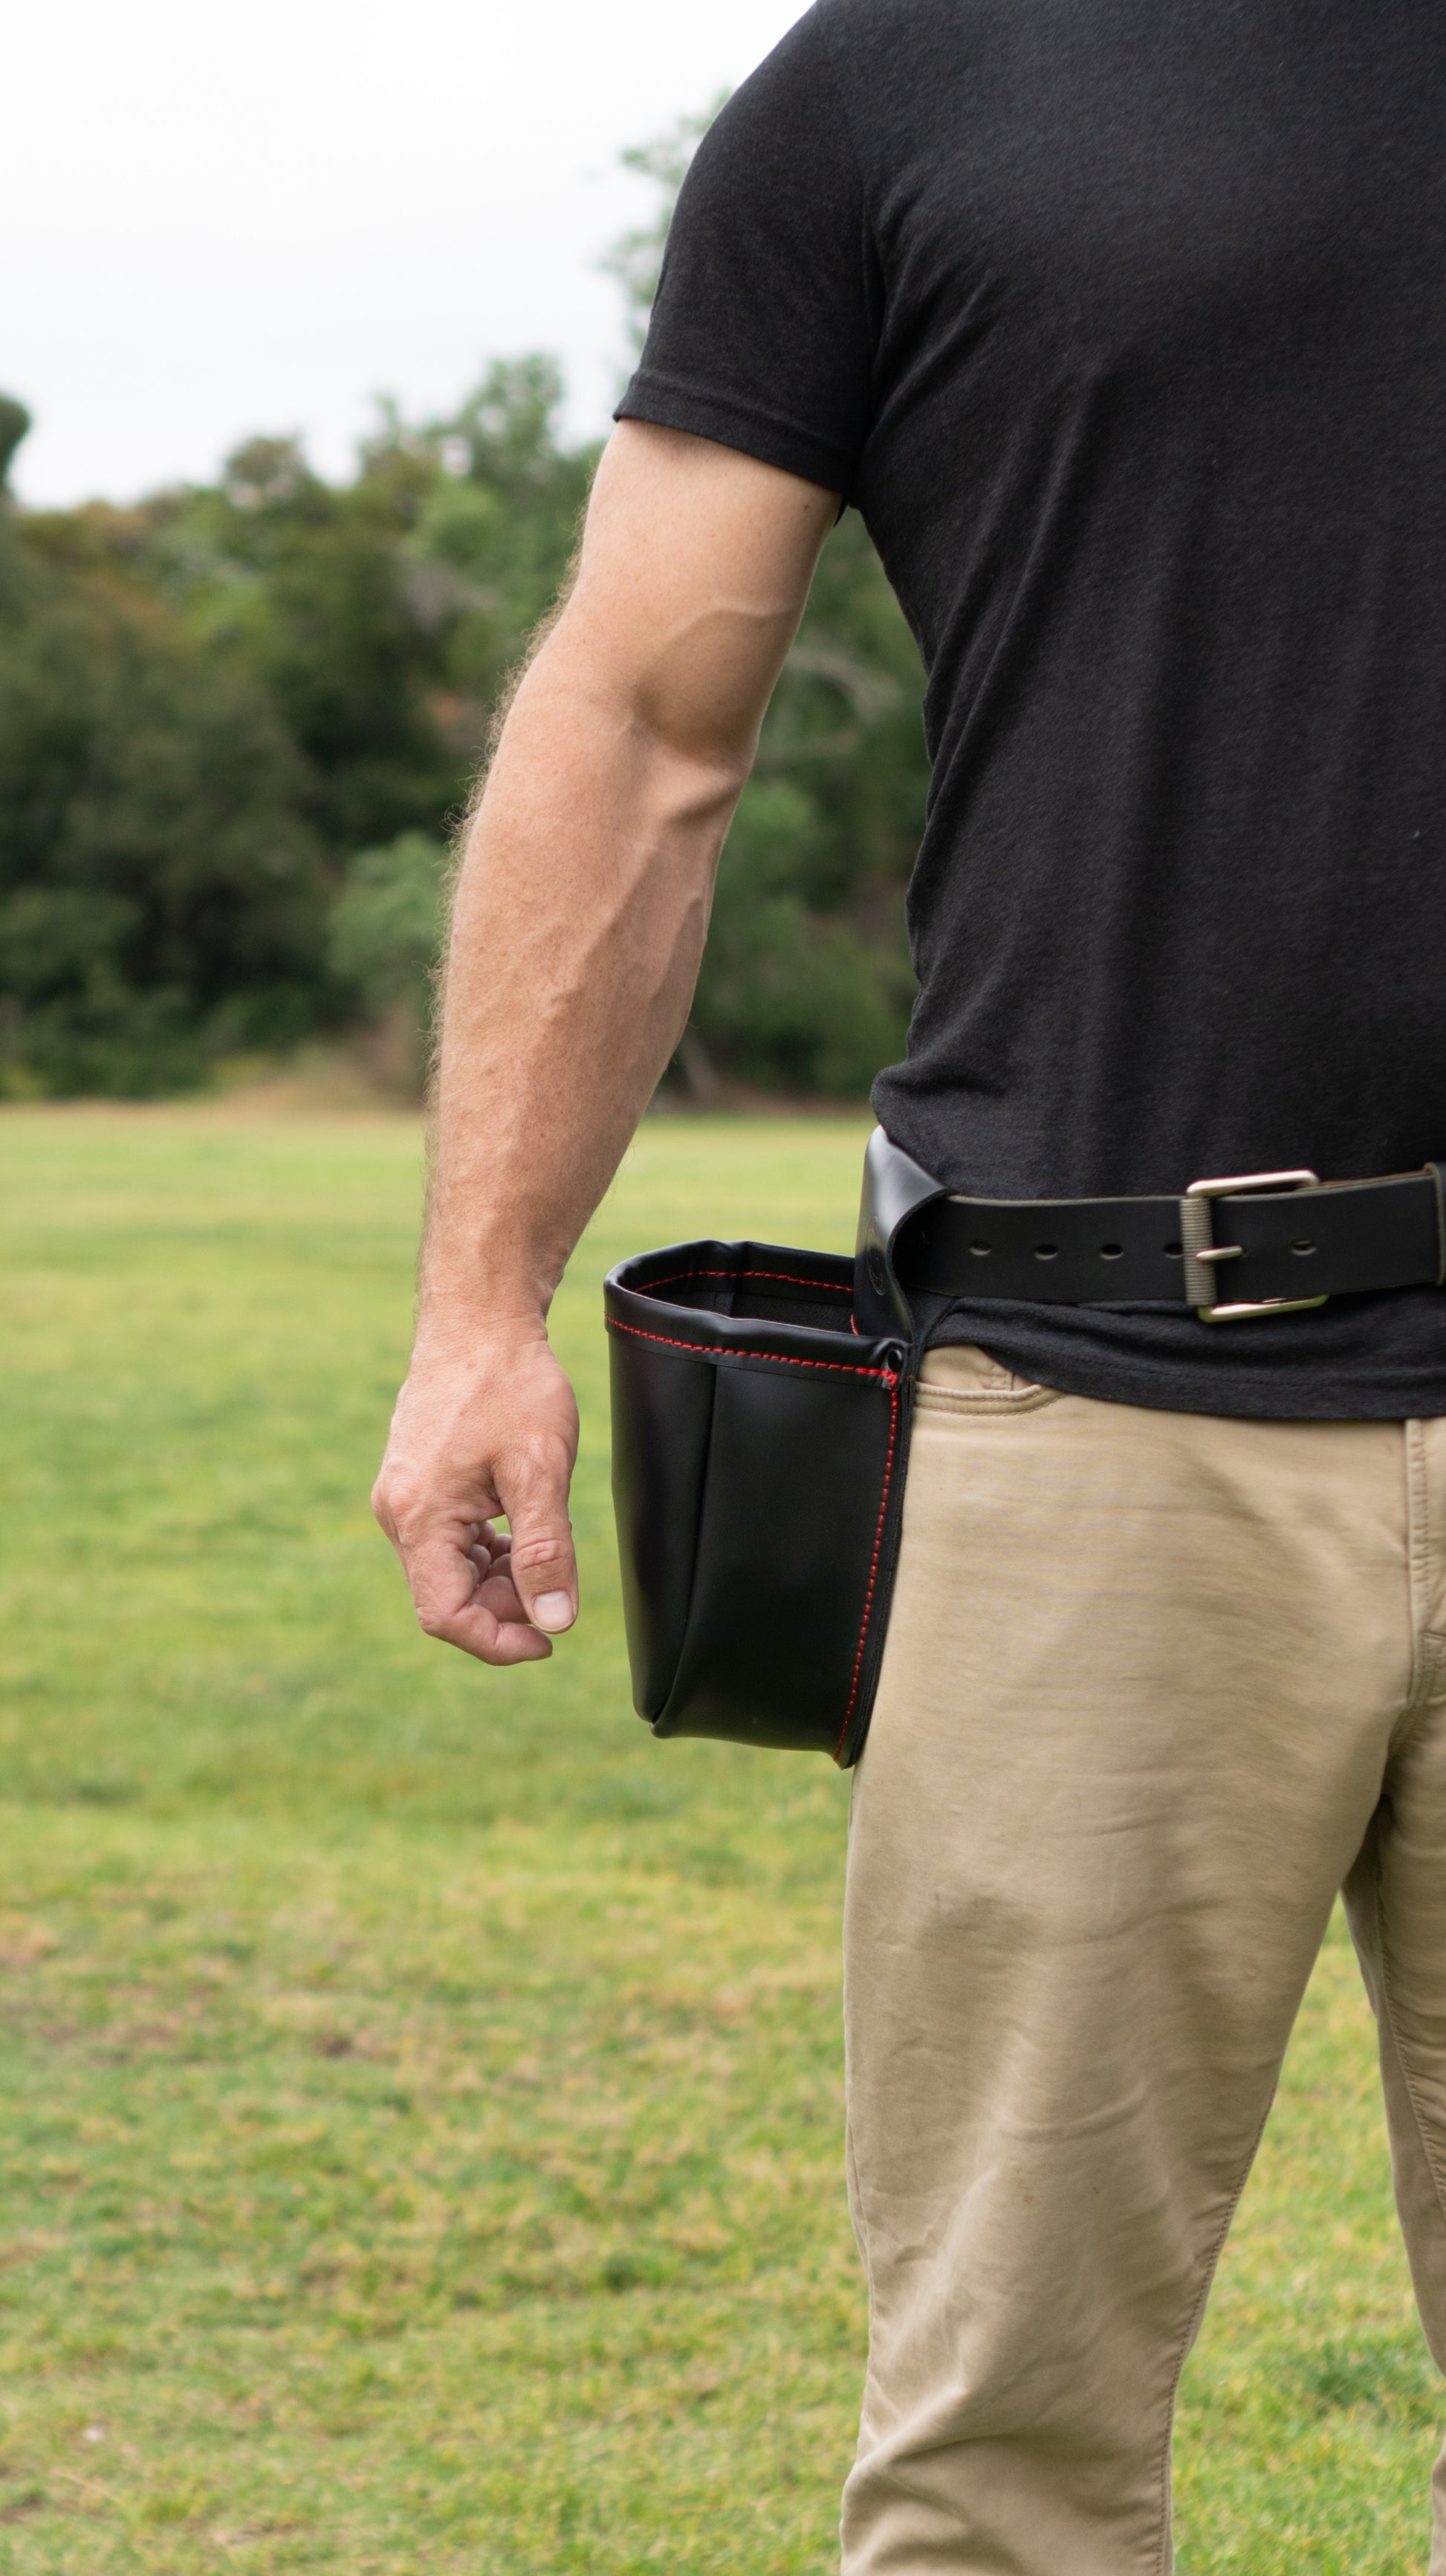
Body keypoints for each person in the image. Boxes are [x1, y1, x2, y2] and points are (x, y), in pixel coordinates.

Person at [372, 0, 1446, 2564]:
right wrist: (476, 1302)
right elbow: (641, 724)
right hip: (1093, 1421)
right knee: (1003, 2479)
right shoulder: (901, 85)